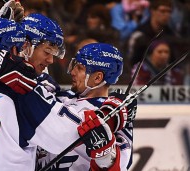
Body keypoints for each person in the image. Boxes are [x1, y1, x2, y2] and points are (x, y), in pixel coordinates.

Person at [0, 14, 132, 170]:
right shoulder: (23, 91)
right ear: (25, 46)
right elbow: (68, 136)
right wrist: (108, 118)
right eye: (47, 51)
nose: (51, 60)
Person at [36, 43, 137, 171]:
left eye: (79, 68)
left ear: (97, 78)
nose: (72, 72)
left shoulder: (111, 115)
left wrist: (106, 153)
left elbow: (120, 166)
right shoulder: (62, 96)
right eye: (74, 66)